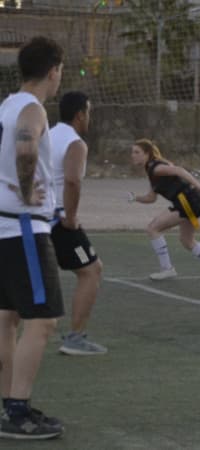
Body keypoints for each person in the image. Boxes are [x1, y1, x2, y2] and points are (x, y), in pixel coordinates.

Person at [0, 36, 65, 439]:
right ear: (54, 70)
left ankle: (10, 402)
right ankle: (17, 410)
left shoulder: (5, 105)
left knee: (6, 319)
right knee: (42, 321)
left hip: (2, 226)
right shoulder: (30, 108)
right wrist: (25, 191)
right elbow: (26, 146)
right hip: (24, 228)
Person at [49, 91, 106, 355]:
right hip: (58, 221)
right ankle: (76, 338)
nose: (90, 118)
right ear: (80, 114)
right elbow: (73, 181)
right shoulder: (75, 143)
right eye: (89, 112)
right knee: (91, 271)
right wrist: (70, 219)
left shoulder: (46, 135)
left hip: (35, 219)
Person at [128, 139, 200, 281]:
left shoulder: (156, 168)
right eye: (132, 152)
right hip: (191, 200)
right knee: (187, 240)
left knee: (153, 229)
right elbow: (151, 198)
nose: (133, 155)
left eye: (137, 152)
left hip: (187, 201)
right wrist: (135, 198)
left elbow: (180, 170)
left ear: (147, 154)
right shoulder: (151, 171)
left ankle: (167, 269)